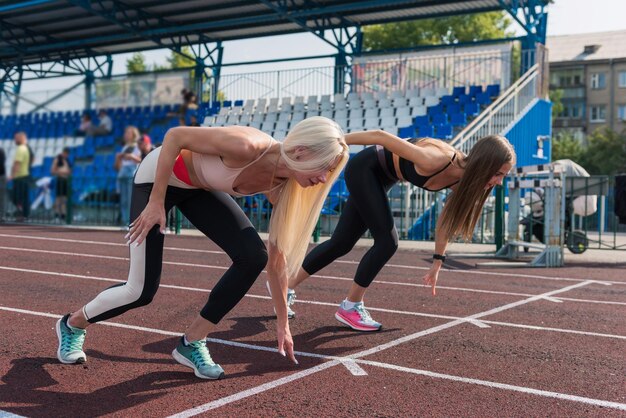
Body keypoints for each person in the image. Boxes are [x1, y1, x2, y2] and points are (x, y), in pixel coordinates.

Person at [56, 116, 349, 380]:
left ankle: (192, 341)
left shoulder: (284, 186)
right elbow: (174, 137)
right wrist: (156, 202)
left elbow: (277, 260)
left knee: (252, 256)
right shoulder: (247, 146)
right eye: (325, 168)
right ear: (301, 152)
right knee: (140, 290)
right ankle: (73, 324)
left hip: (196, 189)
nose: (324, 179)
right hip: (159, 175)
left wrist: (283, 322)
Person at [283, 130, 516, 331]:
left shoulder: (463, 182)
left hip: (382, 178)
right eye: (498, 174)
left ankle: (285, 287)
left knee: (341, 242)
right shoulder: (436, 160)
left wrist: (437, 262)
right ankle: (350, 307)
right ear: (483, 164)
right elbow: (380, 137)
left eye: (503, 176)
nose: (499, 182)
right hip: (365, 168)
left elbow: (445, 222)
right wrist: (332, 143)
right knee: (387, 242)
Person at [114, 126, 142, 227]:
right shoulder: (124, 147)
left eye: (128, 133)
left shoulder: (137, 146)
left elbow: (141, 159)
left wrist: (130, 156)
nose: (126, 135)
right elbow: (118, 166)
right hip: (123, 174)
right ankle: (126, 221)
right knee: (124, 200)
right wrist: (118, 159)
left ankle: (132, 222)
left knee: (131, 199)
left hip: (132, 173)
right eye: (126, 133)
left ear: (134, 134)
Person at [10, 131, 32, 221]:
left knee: (17, 197)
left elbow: (17, 163)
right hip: (24, 176)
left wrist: (12, 175)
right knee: (23, 197)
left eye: (16, 138)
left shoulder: (21, 148)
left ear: (21, 138)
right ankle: (24, 215)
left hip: (20, 177)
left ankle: (23, 214)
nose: (15, 140)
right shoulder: (25, 148)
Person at [51, 147, 72, 222]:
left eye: (67, 153)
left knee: (64, 199)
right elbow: (53, 171)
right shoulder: (58, 160)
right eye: (65, 153)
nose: (66, 155)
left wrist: (67, 172)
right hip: (60, 180)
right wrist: (62, 172)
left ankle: (63, 215)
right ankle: (56, 215)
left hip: (65, 180)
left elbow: (70, 171)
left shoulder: (67, 161)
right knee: (58, 198)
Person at [0, 146, 6, 222]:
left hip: (1, 176)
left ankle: (2, 216)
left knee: (1, 197)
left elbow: (1, 164)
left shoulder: (1, 151)